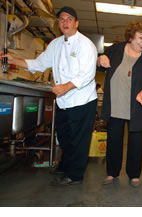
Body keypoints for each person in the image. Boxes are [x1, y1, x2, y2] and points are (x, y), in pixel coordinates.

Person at [0, 6, 98, 186]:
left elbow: (87, 74)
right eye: (61, 19)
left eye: (69, 19)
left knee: (78, 140)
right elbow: (38, 64)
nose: (65, 22)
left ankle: (75, 175)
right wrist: (14, 60)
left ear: (76, 23)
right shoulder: (55, 44)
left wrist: (66, 87)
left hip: (82, 100)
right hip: (63, 100)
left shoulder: (86, 45)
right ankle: (64, 166)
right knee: (64, 136)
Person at [97, 20, 142, 187]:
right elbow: (100, 62)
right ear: (131, 36)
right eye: (140, 37)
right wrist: (100, 58)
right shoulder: (116, 49)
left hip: (136, 107)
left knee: (136, 143)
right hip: (115, 104)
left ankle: (134, 175)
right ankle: (112, 173)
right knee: (114, 141)